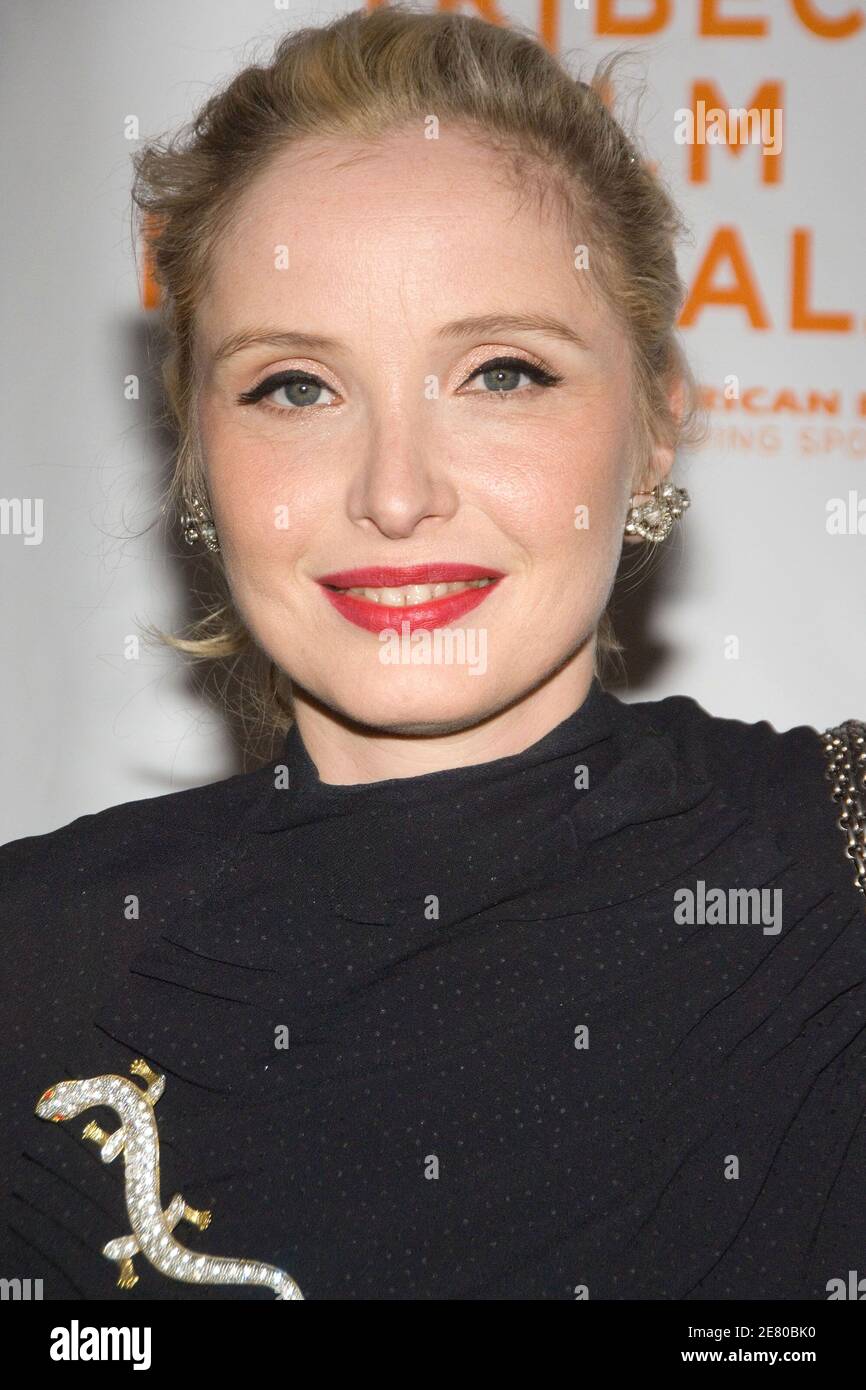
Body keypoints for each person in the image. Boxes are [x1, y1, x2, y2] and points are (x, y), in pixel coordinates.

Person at [1, 4, 863, 1302]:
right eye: (295, 385)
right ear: (196, 453)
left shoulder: (840, 871)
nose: (394, 494)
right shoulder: (30, 960)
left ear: (653, 430)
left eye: (501, 372)